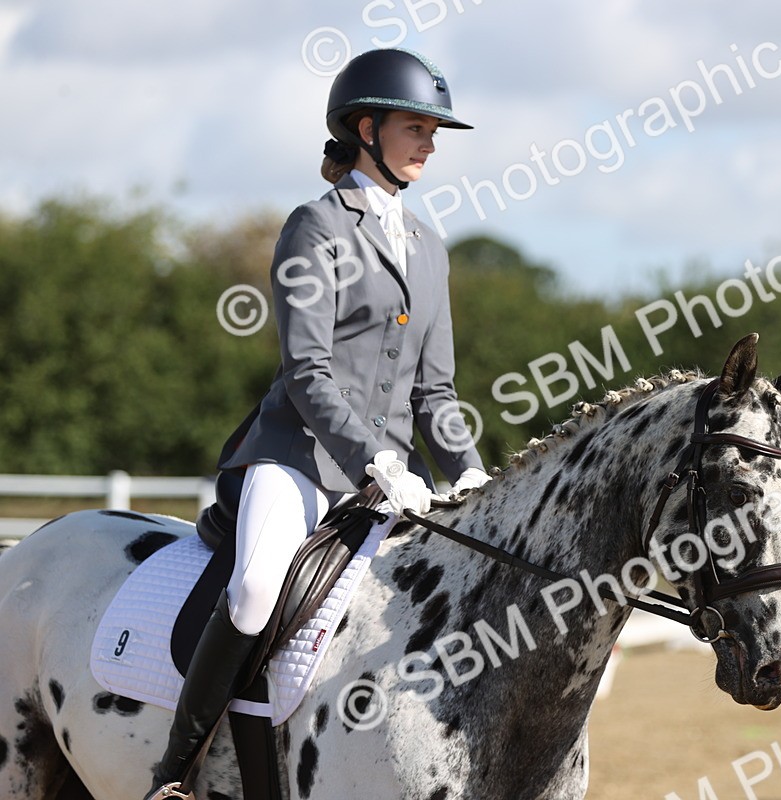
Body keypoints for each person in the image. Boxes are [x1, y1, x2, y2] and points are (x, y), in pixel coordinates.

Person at [145, 48, 489, 800]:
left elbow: (436, 388)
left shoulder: (430, 249)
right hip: (297, 458)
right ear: (365, 128)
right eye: (415, 126)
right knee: (255, 591)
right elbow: (308, 372)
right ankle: (173, 774)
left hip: (396, 479)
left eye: (435, 130)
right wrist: (375, 457)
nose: (429, 142)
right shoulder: (316, 227)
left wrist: (466, 467)